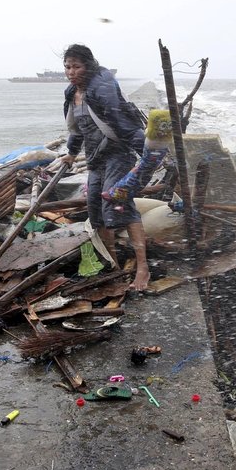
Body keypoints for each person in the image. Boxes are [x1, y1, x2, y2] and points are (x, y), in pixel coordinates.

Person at [60, 44, 150, 291]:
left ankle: (143, 267)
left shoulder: (101, 90)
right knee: (95, 210)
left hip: (118, 154)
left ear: (87, 66)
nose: (71, 72)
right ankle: (113, 266)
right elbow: (77, 129)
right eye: (67, 67)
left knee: (119, 202)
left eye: (76, 66)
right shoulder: (72, 94)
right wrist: (70, 153)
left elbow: (125, 124)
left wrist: (147, 155)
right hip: (96, 158)